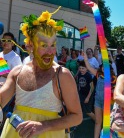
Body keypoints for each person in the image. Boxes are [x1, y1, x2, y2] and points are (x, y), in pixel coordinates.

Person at [0, 10, 82, 138]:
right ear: (30, 45)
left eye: (53, 45)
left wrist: (44, 125)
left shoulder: (62, 75)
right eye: (44, 45)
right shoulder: (17, 72)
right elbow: (2, 99)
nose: (51, 51)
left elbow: (77, 116)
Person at [83, 52, 117, 138]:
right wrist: (86, 59)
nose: (103, 68)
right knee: (98, 122)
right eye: (102, 66)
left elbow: (116, 91)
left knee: (106, 123)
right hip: (97, 101)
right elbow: (89, 68)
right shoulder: (98, 75)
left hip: (108, 102)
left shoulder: (113, 79)